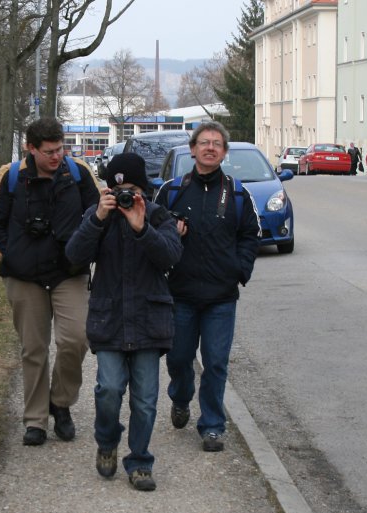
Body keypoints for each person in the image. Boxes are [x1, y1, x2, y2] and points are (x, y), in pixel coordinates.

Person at [65, 152, 182, 491]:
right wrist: (99, 218)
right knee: (109, 389)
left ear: (143, 189)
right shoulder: (99, 216)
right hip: (110, 320)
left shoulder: (159, 217)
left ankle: (140, 461)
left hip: (149, 321)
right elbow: (73, 256)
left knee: (145, 399)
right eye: (118, 191)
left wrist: (141, 227)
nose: (125, 197)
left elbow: (171, 257)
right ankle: (106, 440)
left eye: (131, 190)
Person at [0, 117, 100, 446]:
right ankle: (35, 420)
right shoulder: (12, 176)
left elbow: (99, 216)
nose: (56, 156)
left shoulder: (78, 174)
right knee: (34, 349)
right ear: (30, 148)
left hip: (68, 272)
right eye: (48, 151)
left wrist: (85, 253)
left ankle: (60, 403)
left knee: (76, 339)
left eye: (60, 149)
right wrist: (10, 257)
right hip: (24, 276)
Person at [155, 121, 260, 453]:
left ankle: (212, 425)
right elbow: (151, 236)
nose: (210, 148)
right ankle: (181, 397)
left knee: (216, 362)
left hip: (221, 297)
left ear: (224, 152)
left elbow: (250, 236)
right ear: (193, 149)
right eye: (204, 142)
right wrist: (172, 236)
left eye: (217, 143)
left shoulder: (239, 194)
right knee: (179, 358)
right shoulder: (172, 191)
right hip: (180, 294)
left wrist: (239, 270)